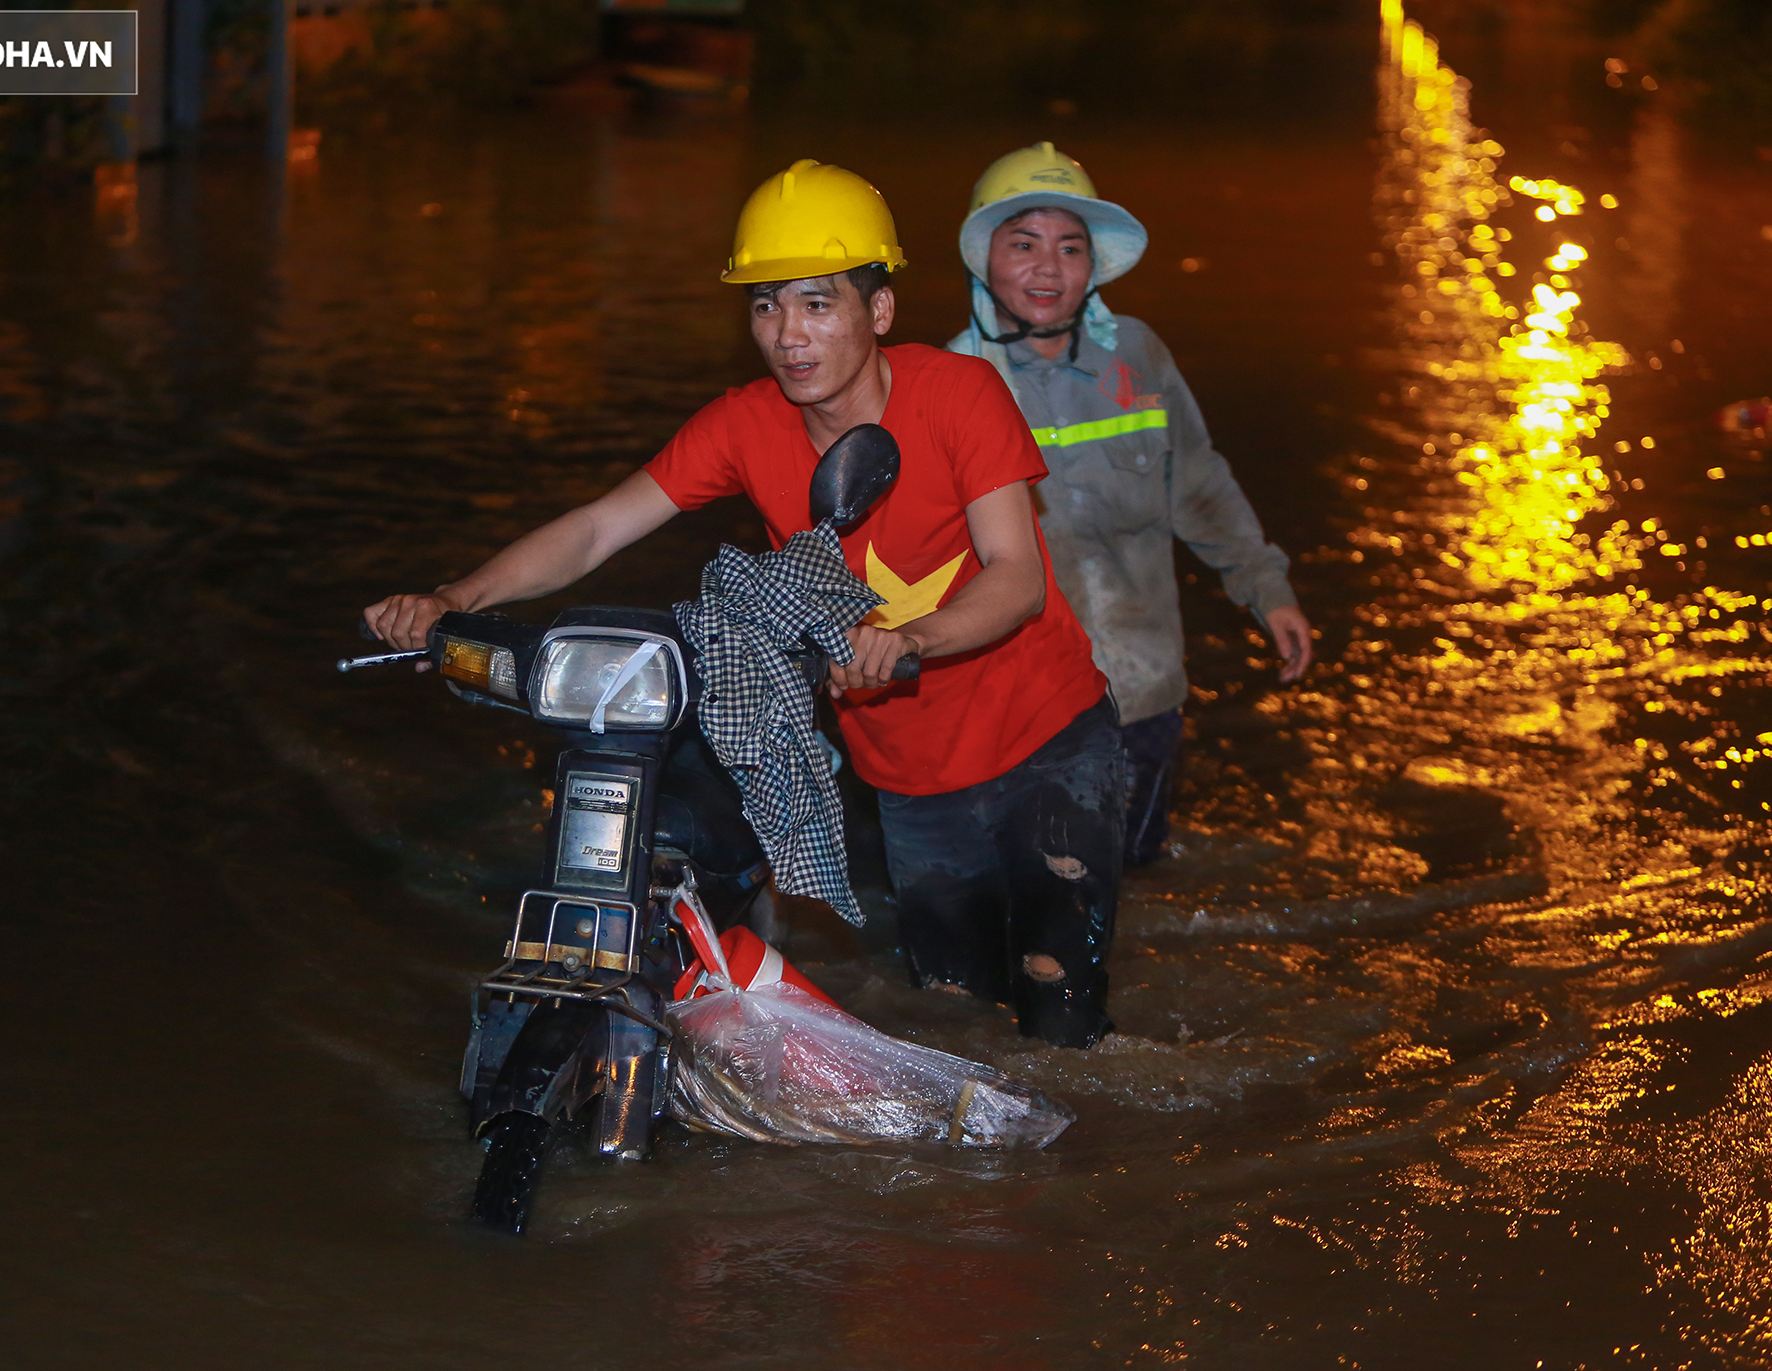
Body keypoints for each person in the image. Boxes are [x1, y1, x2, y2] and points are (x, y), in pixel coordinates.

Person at [366, 160, 1123, 1048]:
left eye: (816, 303)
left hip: (1047, 739)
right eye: (765, 306)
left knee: (1057, 1006)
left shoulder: (960, 395)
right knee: (947, 1009)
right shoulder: (741, 424)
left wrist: (909, 638)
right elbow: (596, 529)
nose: (788, 335)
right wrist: (455, 595)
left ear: (877, 311)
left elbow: (1016, 575)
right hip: (909, 771)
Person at [945, 143, 1313, 868]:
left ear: (1095, 265)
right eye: (1024, 244)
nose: (1049, 267)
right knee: (1038, 893)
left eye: (1070, 247)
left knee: (1135, 875)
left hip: (1145, 690)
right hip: (1023, 706)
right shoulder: (952, 379)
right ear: (984, 256)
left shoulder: (1139, 357)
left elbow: (1199, 483)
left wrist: (1268, 591)